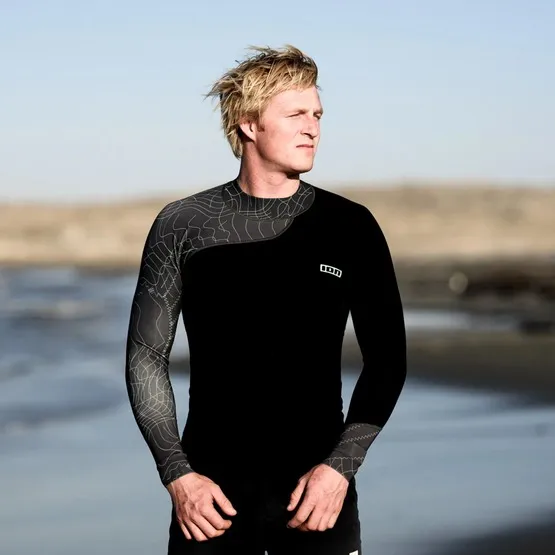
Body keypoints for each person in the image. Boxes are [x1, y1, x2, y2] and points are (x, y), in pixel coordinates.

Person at [125, 44, 407, 555]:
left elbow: (387, 360)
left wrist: (340, 469)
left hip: (317, 503)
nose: (313, 127)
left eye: (317, 115)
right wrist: (177, 476)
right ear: (249, 124)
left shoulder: (350, 226)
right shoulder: (183, 225)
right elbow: (146, 357)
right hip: (208, 507)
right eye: (296, 114)